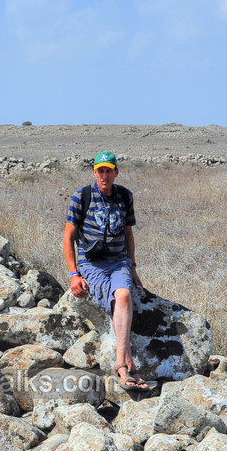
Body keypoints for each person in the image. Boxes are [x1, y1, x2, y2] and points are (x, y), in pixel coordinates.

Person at [64, 151, 152, 390]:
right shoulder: (81, 197)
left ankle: (121, 364)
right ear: (95, 172)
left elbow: (129, 233)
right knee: (116, 300)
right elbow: (68, 236)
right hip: (92, 264)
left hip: (119, 262)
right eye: (100, 171)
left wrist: (132, 266)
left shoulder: (124, 196)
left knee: (123, 295)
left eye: (109, 170)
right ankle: (127, 366)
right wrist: (74, 274)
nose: (105, 175)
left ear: (116, 172)